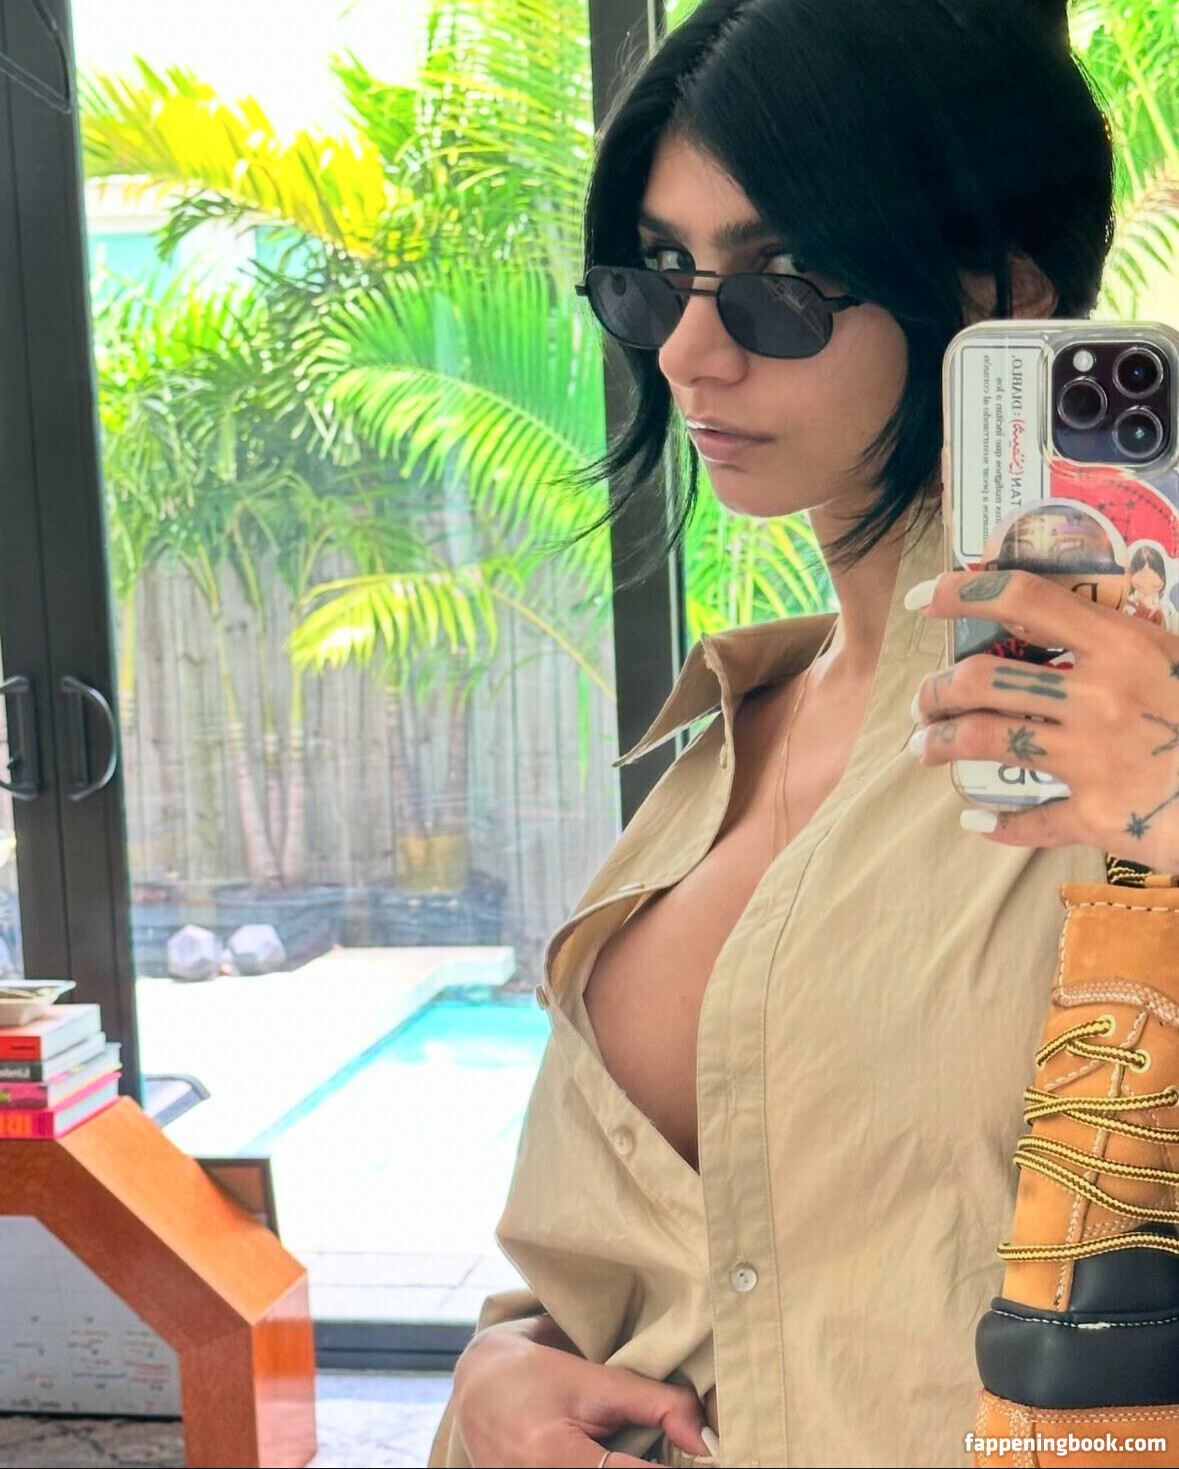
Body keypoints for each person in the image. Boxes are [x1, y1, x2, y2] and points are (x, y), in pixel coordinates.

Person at [428, 1, 1179, 1465]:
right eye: (660, 275)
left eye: (780, 287)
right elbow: (670, 1247)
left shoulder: (1126, 753)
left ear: (1001, 292)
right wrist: (506, 1360)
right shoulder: (728, 734)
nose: (691, 353)